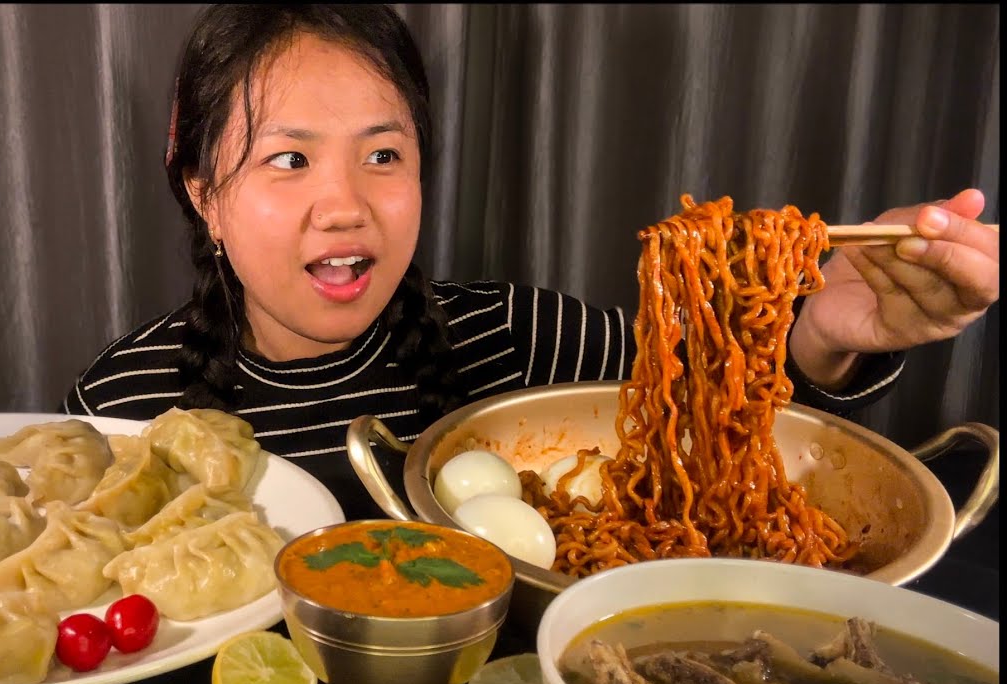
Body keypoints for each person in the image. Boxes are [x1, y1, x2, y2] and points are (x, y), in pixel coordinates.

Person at [61, 5, 999, 522]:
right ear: (201, 191)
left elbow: (734, 410)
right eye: (289, 158)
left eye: (385, 154)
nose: (345, 203)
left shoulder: (518, 337)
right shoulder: (120, 405)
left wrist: (825, 332)